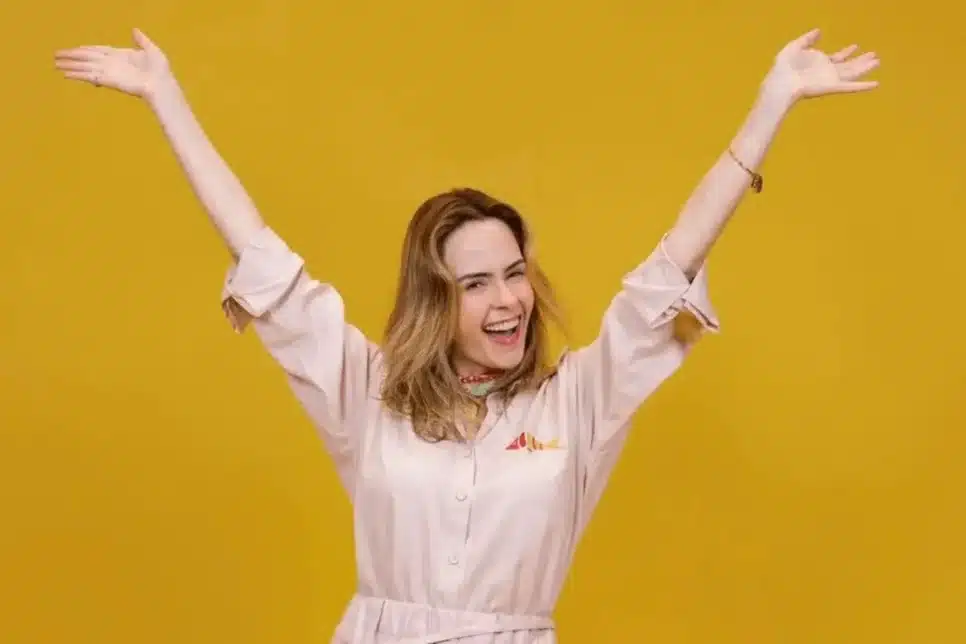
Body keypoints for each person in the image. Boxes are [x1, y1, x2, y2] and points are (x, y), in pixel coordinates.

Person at [54, 27, 879, 643]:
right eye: (475, 283)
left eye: (514, 273)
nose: (508, 299)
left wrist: (771, 105)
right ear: (434, 301)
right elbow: (263, 258)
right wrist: (166, 97)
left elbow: (670, 268)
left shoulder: (577, 404)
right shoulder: (368, 394)